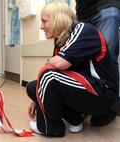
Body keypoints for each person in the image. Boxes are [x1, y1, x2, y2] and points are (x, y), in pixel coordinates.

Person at [26, 1, 118, 137]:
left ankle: (51, 128)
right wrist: (37, 100)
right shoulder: (61, 40)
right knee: (33, 87)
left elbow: (57, 65)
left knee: (47, 75)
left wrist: (51, 64)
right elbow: (56, 67)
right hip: (86, 89)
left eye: (44, 21)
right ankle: (75, 118)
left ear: (57, 20)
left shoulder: (84, 30)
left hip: (103, 96)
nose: (41, 26)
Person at [75, 0, 120, 124]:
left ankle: (109, 109)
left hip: (106, 5)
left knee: (108, 58)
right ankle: (86, 106)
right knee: (79, 59)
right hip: (83, 14)